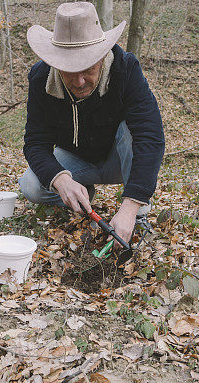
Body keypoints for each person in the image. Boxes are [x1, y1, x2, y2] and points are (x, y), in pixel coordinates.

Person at [20, 2, 165, 245]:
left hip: (119, 160)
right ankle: (81, 194)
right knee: (31, 185)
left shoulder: (125, 68)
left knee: (132, 131)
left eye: (87, 69)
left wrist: (130, 206)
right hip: (76, 161)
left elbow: (151, 137)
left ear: (101, 56)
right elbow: (35, 143)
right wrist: (60, 179)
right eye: (68, 71)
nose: (79, 82)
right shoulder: (40, 79)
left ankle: (137, 218)